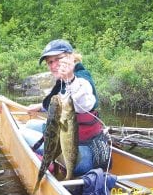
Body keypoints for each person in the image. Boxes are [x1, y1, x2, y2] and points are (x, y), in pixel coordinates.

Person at [24, 39, 111, 177]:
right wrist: (40, 107)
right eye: (50, 62)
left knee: (22, 133)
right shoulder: (63, 81)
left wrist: (70, 77)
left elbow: (83, 101)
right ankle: (52, 162)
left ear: (71, 57)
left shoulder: (81, 79)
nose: (53, 65)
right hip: (70, 142)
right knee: (28, 124)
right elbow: (62, 103)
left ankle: (51, 165)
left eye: (58, 59)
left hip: (84, 156)